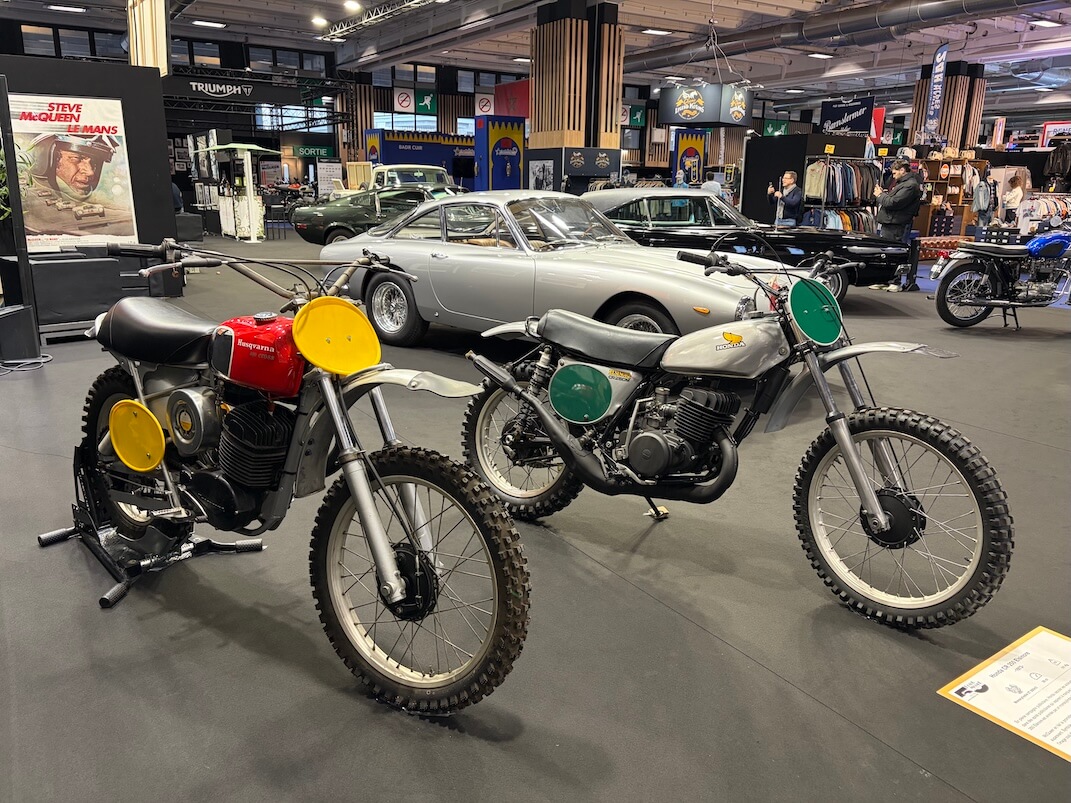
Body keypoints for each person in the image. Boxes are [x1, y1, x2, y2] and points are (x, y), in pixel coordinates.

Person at [873, 159, 923, 291]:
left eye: (895, 173)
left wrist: (880, 195)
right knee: (887, 253)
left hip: (897, 224)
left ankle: (895, 282)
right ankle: (885, 280)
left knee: (896, 253)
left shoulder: (910, 185)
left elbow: (893, 203)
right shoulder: (904, 184)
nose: (893, 175)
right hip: (891, 222)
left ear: (902, 170)